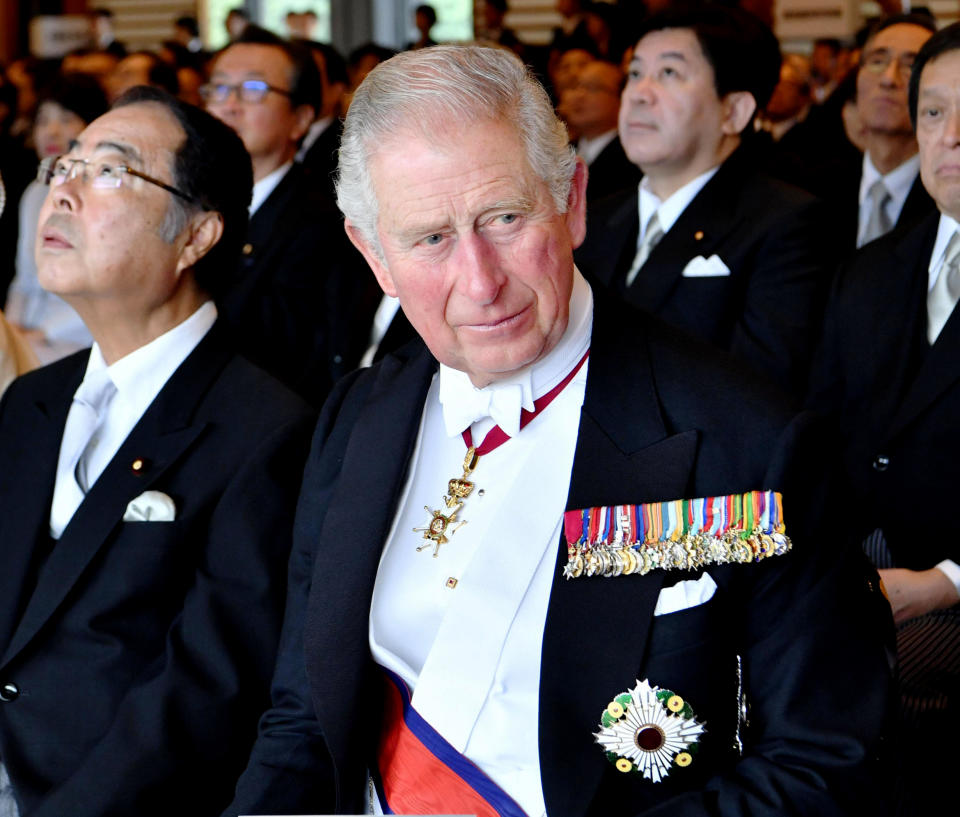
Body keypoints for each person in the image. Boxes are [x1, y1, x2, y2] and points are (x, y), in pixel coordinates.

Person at [225, 44, 892, 817]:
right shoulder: (357, 418)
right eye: (430, 239)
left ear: (572, 199)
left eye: (504, 218)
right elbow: (304, 715)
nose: (480, 282)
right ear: (374, 255)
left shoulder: (751, 442)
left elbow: (826, 764)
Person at [0, 87, 315, 817]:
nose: (64, 190)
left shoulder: (264, 429)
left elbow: (204, 693)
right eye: (63, 167)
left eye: (109, 171)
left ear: (197, 235)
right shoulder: (31, 402)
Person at [807, 21, 960, 816]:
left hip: (949, 582)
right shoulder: (870, 272)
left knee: (870, 679)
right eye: (933, 114)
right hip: (856, 558)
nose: (952, 138)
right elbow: (822, 435)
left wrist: (944, 581)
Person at [575, 5, 831, 399]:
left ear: (734, 111)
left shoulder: (786, 224)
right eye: (635, 73)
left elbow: (759, 389)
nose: (640, 94)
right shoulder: (597, 217)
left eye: (669, 74)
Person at [203, 27, 377, 405]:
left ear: (300, 119)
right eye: (218, 89)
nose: (229, 105)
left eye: (253, 90)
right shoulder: (193, 204)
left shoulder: (325, 223)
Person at [6, 73, 107, 363]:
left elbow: (104, 287)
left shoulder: (102, 197)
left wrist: (42, 333)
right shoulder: (35, 192)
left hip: (79, 337)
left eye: (65, 119)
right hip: (30, 334)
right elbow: (23, 281)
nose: (51, 131)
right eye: (42, 121)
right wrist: (13, 331)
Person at [848, 14, 936, 249]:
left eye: (911, 65)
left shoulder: (947, 199)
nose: (889, 79)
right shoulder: (812, 189)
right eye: (877, 61)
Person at [560, 58, 641, 203]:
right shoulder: (560, 152)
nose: (578, 96)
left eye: (592, 88)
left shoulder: (632, 159)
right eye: (575, 86)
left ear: (621, 98)